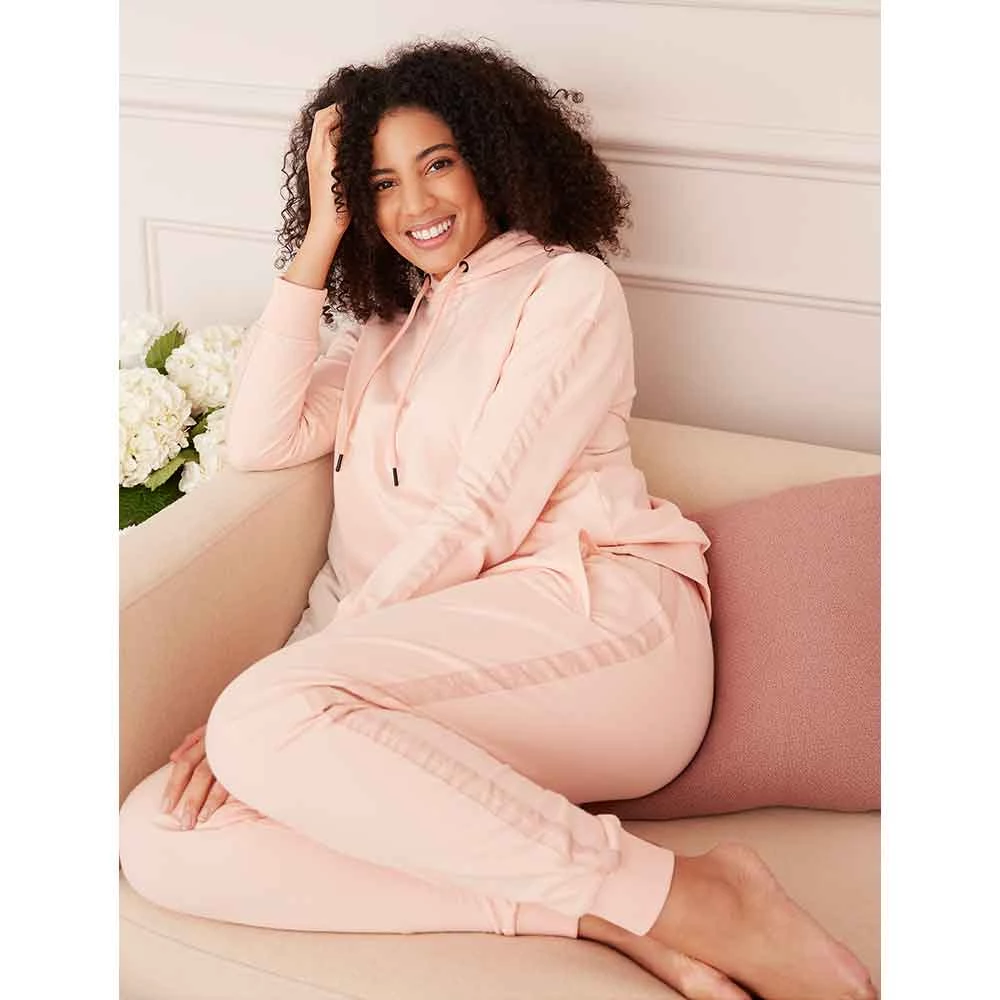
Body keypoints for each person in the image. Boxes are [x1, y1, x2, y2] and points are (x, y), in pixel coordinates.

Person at [119, 38, 876, 1000]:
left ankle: (693, 900)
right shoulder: (387, 329)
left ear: (492, 157)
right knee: (156, 833)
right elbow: (260, 439)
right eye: (381, 183)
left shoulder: (568, 291)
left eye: (437, 163)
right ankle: (608, 910)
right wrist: (316, 241)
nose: (416, 204)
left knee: (261, 720)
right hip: (440, 685)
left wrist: (281, 695)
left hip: (602, 635)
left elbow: (479, 515)